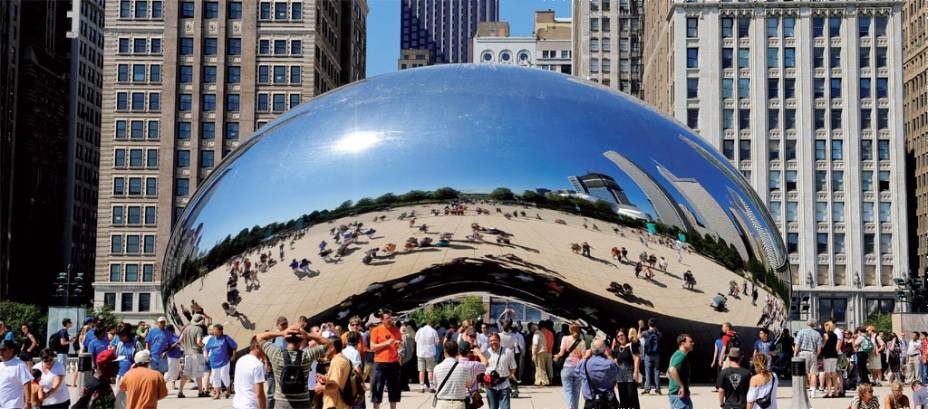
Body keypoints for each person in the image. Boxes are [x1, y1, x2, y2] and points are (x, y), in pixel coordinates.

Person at [257, 323, 330, 408]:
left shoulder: (276, 354)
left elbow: (259, 337)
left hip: (281, 403)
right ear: (301, 340)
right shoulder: (307, 356)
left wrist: (282, 333)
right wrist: (307, 334)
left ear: (286, 339)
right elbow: (327, 343)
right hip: (303, 403)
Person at [370, 309, 403, 409]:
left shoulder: (396, 330)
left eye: (391, 317)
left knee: (394, 389)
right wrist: (386, 343)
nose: (390, 319)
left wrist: (399, 345)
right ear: (382, 319)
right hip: (380, 363)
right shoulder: (376, 330)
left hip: (393, 363)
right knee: (377, 388)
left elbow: (400, 346)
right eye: (387, 318)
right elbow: (372, 347)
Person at [575, 339, 619, 409]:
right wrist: (608, 356)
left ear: (591, 349)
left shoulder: (584, 363)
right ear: (604, 349)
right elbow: (617, 371)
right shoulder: (609, 364)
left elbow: (576, 371)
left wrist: (585, 356)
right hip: (608, 401)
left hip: (591, 402)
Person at [433, 340, 473, 409]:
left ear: (445, 352)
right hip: (459, 404)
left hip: (442, 403)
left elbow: (435, 385)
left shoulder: (437, 368)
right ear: (457, 353)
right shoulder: (464, 368)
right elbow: (469, 384)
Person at [553, 324, 585, 409]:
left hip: (567, 367)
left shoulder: (565, 338)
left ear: (570, 330)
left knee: (568, 390)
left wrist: (557, 356)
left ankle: (570, 405)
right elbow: (583, 357)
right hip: (578, 368)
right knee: (576, 391)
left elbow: (562, 353)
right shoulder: (582, 342)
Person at [204, 323, 238, 399]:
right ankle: (217, 394)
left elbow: (234, 346)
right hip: (214, 361)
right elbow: (206, 348)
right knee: (215, 377)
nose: (214, 332)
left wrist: (233, 355)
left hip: (224, 361)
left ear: (220, 331)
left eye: (216, 331)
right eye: (213, 331)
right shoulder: (211, 339)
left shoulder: (226, 338)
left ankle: (228, 390)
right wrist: (206, 356)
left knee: (224, 375)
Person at [484, 333, 517, 409]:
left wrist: (506, 377)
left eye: (494, 340)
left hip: (504, 385)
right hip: (490, 387)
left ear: (499, 340)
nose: (493, 342)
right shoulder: (486, 353)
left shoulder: (508, 352)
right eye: (491, 341)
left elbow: (513, 368)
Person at [178, 314, 207, 398]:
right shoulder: (199, 329)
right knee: (198, 373)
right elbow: (198, 342)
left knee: (185, 373)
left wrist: (185, 347)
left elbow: (180, 340)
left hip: (187, 354)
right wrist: (203, 345)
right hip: (196, 353)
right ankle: (200, 392)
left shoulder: (186, 329)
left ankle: (180, 391)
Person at [794, 319, 822, 397]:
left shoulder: (801, 332)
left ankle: (803, 391)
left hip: (803, 353)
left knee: (803, 373)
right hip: (813, 353)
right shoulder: (817, 334)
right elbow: (819, 349)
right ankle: (813, 392)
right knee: (813, 374)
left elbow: (797, 345)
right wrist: (816, 354)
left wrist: (795, 354)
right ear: (815, 325)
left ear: (807, 324)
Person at [612, 329, 640, 409]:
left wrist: (636, 372)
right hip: (620, 378)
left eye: (622, 335)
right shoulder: (617, 349)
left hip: (630, 376)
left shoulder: (632, 345)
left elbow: (637, 358)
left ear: (625, 336)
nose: (620, 337)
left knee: (632, 398)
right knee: (623, 400)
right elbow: (615, 363)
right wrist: (615, 379)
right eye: (618, 336)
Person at [667, 334, 694, 409]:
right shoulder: (681, 356)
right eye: (690, 342)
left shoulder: (675, 355)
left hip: (676, 395)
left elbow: (667, 374)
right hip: (679, 396)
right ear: (683, 343)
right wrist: (681, 386)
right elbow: (672, 370)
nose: (692, 343)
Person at [415, 320, 440, 392]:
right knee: (430, 370)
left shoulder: (420, 330)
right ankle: (431, 387)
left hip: (420, 353)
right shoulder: (433, 331)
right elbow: (437, 342)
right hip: (430, 353)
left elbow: (416, 340)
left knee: (421, 370)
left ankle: (422, 386)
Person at [641, 319, 662, 395]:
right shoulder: (658, 333)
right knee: (657, 372)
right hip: (657, 354)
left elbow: (638, 336)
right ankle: (658, 390)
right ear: (655, 325)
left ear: (648, 324)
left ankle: (647, 389)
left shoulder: (645, 333)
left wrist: (640, 327)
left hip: (648, 355)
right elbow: (660, 337)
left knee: (648, 372)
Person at [821, 321, 842, 398]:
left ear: (827, 327)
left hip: (827, 356)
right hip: (834, 355)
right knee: (834, 374)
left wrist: (824, 341)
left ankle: (829, 392)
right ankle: (836, 392)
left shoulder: (825, 335)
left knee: (827, 374)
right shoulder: (835, 335)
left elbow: (823, 345)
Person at [531, 322, 550, 386]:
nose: (530, 330)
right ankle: (538, 381)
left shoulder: (536, 334)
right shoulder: (541, 333)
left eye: (531, 328)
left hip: (539, 353)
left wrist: (534, 354)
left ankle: (545, 381)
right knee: (539, 367)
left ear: (534, 328)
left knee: (540, 368)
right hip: (543, 352)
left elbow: (535, 345)